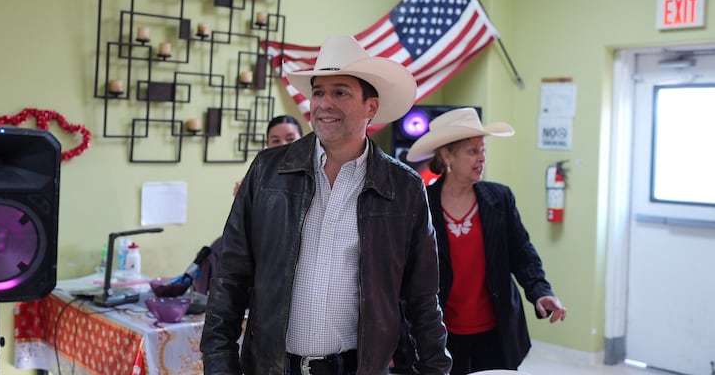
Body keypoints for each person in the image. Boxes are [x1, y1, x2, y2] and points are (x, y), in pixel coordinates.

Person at [201, 35, 452, 375]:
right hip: (272, 367)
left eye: (340, 93)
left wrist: (434, 369)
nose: (324, 104)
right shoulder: (266, 171)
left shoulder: (404, 188)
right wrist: (220, 366)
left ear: (371, 107)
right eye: (318, 92)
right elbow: (230, 279)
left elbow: (422, 297)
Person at [404, 107, 567, 374]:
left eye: (483, 150)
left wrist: (541, 291)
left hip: (496, 331)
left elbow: (522, 253)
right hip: (440, 332)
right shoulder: (422, 204)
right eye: (472, 151)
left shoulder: (500, 198)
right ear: (447, 155)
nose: (481, 158)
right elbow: (407, 273)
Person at [232, 115, 304, 196]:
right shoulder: (257, 176)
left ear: (303, 140)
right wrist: (243, 197)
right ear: (268, 144)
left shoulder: (313, 171)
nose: (283, 145)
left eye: (290, 139)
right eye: (276, 141)